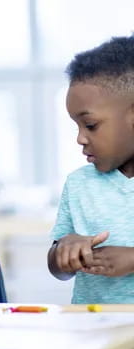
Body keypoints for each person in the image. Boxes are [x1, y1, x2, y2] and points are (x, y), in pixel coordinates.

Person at [48, 36, 134, 303]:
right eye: (77, 126)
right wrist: (63, 252)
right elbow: (56, 268)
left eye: (91, 125)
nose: (80, 138)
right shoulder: (79, 185)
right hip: (94, 332)